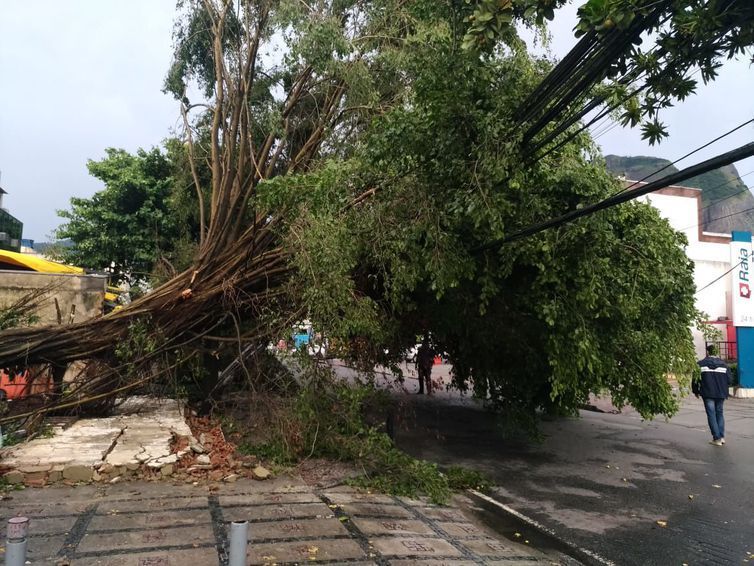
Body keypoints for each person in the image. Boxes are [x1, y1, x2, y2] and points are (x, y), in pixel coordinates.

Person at [693, 344, 731, 446]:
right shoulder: (724, 365)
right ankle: (721, 437)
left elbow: (695, 379)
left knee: (711, 414)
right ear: (716, 352)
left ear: (708, 352)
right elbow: (729, 380)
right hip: (721, 393)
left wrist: (695, 391)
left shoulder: (700, 364)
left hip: (708, 393)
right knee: (719, 413)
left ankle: (716, 438)